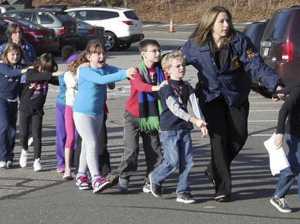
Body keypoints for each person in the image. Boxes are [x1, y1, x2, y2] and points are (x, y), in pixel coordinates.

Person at [181, 6, 283, 202]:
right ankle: (222, 188)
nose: (226, 25)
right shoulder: (195, 44)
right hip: (210, 97)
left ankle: (213, 169)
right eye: (221, 21)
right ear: (210, 24)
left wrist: (275, 84)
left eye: (228, 20)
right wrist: (155, 70)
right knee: (218, 141)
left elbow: (256, 66)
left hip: (236, 96)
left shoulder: (240, 41)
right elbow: (174, 61)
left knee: (239, 136)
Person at [73, 40, 135, 193]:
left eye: (103, 54)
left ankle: (81, 175)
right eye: (97, 54)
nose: (101, 57)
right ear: (88, 56)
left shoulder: (106, 68)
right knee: (92, 142)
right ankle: (96, 178)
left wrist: (133, 72)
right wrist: (124, 74)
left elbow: (118, 72)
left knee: (88, 145)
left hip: (98, 112)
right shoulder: (85, 70)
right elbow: (101, 80)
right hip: (82, 112)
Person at [148, 50, 208, 204]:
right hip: (169, 129)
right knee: (172, 161)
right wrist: (194, 120)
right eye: (177, 66)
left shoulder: (187, 86)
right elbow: (175, 108)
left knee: (187, 161)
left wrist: (201, 122)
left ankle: (183, 191)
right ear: (167, 70)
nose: (182, 68)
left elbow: (194, 104)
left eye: (183, 65)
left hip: (184, 128)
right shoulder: (165, 87)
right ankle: (155, 177)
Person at [108, 39, 165, 193]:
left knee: (154, 149)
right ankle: (124, 176)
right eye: (153, 51)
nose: (157, 54)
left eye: (158, 50)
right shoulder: (136, 71)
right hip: (133, 115)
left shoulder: (162, 70)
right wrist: (156, 87)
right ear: (143, 54)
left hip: (151, 115)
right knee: (131, 149)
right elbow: (139, 86)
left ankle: (151, 179)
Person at [18, 53, 58, 171]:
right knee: (23, 134)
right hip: (25, 109)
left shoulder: (47, 76)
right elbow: (33, 77)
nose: (46, 72)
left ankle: (37, 160)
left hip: (38, 110)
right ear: (39, 64)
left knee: (37, 135)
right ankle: (24, 151)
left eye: (48, 70)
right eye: (45, 68)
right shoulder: (31, 72)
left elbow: (57, 80)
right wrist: (49, 74)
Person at [269, 83, 300, 213]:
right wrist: (279, 132)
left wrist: (278, 93)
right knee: (293, 167)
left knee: (294, 167)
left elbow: (289, 88)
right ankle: (278, 196)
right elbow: (284, 110)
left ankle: (279, 195)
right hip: (293, 133)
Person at [0, 43, 30, 168]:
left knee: (12, 131)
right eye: (12, 54)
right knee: (4, 126)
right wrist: (24, 70)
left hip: (13, 101)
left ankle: (9, 156)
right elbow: (11, 73)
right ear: (6, 55)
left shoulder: (21, 66)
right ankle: (2, 156)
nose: (15, 56)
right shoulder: (2, 65)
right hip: (1, 100)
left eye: (17, 54)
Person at [55, 46, 77, 174]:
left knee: (73, 135)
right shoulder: (65, 76)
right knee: (62, 134)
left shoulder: (80, 73)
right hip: (63, 105)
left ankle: (70, 160)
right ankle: (61, 162)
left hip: (75, 106)